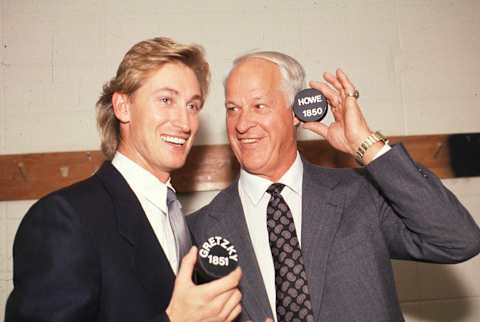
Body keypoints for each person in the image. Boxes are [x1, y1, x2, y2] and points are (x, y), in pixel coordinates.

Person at [187, 51, 480, 322]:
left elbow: (458, 240)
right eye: (232, 108)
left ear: (295, 113)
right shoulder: (199, 230)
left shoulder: (361, 195)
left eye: (259, 105)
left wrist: (365, 144)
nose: (242, 123)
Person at [5, 37, 243, 322]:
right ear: (122, 107)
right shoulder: (66, 218)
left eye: (192, 106)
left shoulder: (179, 220)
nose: (184, 122)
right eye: (166, 100)